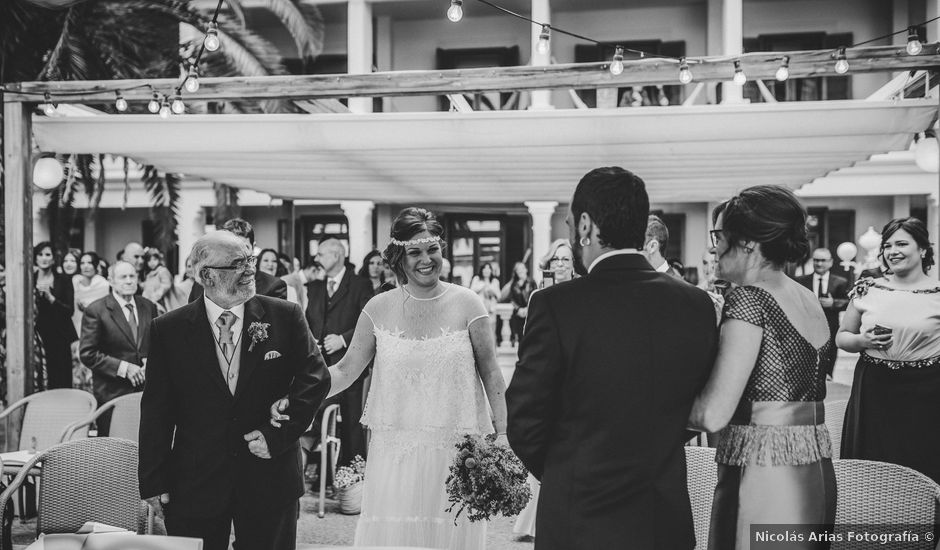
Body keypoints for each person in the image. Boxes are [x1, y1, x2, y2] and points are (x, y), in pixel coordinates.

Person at [507, 167, 717, 550]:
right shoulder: (696, 304)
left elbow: (523, 417)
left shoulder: (556, 305)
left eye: (572, 224)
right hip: (662, 512)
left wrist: (568, 470)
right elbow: (700, 401)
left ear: (585, 225)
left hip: (579, 515)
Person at [272, 207, 506, 550]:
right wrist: (297, 397)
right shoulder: (378, 308)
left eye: (432, 250)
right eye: (415, 252)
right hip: (397, 457)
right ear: (399, 257)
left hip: (456, 454)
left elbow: (491, 373)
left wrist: (501, 436)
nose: (426, 260)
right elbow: (345, 371)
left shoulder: (468, 303)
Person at [139, 231, 330, 550]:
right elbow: (157, 409)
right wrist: (153, 480)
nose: (250, 270)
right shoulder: (168, 329)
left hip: (270, 474)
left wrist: (278, 434)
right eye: (238, 263)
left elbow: (316, 378)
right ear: (206, 275)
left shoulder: (284, 315)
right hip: (194, 478)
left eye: (250, 259)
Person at [689, 186, 836, 549]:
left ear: (748, 243)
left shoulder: (750, 299)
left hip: (764, 473)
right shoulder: (806, 296)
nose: (713, 248)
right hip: (813, 466)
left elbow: (713, 414)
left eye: (718, 236)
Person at [837, 217, 940, 484]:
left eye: (902, 243)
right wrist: (863, 341)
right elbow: (842, 337)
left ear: (923, 249)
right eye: (887, 245)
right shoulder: (868, 288)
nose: (893, 251)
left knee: (924, 460)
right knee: (874, 467)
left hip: (928, 390)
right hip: (874, 387)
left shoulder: (937, 293)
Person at [512, 237, 576, 541]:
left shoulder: (582, 293)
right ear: (548, 264)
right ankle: (536, 521)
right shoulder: (539, 295)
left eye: (566, 260)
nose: (561, 265)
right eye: (556, 260)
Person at [305, 238, 373, 466]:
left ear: (335, 256)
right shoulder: (314, 287)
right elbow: (306, 319)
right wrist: (310, 338)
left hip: (351, 363)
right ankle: (325, 474)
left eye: (321, 254)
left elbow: (368, 320)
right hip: (321, 366)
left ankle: (353, 475)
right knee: (323, 419)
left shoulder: (360, 285)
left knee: (352, 422)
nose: (317, 258)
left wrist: (343, 340)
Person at [79, 261, 158, 435]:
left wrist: (151, 361)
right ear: (111, 281)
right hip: (112, 394)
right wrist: (124, 368)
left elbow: (157, 344)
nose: (129, 281)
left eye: (133, 276)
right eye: (123, 277)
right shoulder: (97, 310)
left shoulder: (148, 306)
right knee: (114, 452)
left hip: (146, 392)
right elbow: (87, 353)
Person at [188, 219, 288, 302]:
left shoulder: (273, 286)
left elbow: (276, 324)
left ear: (253, 247)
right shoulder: (202, 283)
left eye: (244, 247)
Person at [795, 248, 849, 378]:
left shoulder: (840, 282)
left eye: (823, 260)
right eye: (816, 260)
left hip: (830, 329)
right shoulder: (801, 281)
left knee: (828, 366)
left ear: (830, 262)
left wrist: (833, 303)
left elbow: (850, 302)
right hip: (806, 329)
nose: (819, 264)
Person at [34, 242, 77, 389]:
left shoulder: (63, 280)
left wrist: (51, 298)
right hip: (38, 334)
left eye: (48, 254)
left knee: (60, 376)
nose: (44, 258)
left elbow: (70, 310)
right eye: (40, 254)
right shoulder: (30, 278)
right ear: (35, 258)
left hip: (60, 334)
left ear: (53, 259)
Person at [72, 251, 111, 336]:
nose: (86, 266)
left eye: (89, 263)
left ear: (96, 265)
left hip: (98, 327)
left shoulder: (103, 284)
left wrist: (88, 309)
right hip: (77, 326)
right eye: (82, 263)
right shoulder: (75, 282)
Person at [501, 262, 535, 346]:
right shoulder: (513, 285)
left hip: (530, 314)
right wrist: (519, 309)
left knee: (531, 338)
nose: (521, 271)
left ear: (526, 270)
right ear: (515, 272)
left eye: (522, 268)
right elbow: (511, 300)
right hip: (519, 316)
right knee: (521, 339)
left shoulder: (532, 282)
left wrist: (527, 309)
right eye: (518, 269)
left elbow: (535, 297)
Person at [469, 263, 501, 344]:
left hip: (491, 310)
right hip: (479, 309)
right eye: (484, 268)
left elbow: (499, 296)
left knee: (491, 332)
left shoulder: (495, 281)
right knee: (480, 332)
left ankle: (493, 353)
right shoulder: (477, 279)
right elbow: (471, 291)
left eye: (488, 268)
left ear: (491, 270)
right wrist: (483, 286)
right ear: (481, 270)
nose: (486, 270)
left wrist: (491, 291)